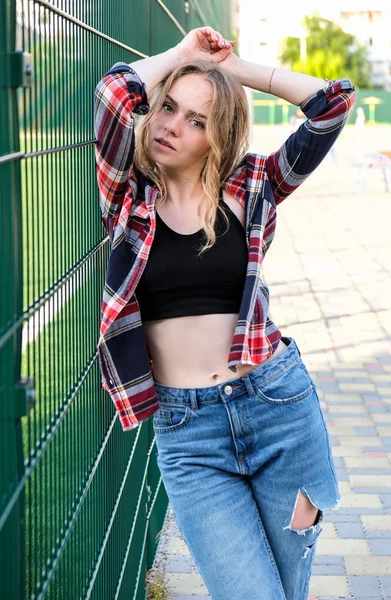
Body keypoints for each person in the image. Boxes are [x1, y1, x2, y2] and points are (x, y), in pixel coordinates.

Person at [94, 26, 355, 600]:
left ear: (219, 136)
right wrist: (185, 58)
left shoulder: (252, 187)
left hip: (278, 408)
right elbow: (114, 96)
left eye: (197, 120)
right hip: (189, 435)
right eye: (168, 108)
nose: (170, 126)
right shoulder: (129, 196)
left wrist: (232, 73)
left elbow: (332, 106)